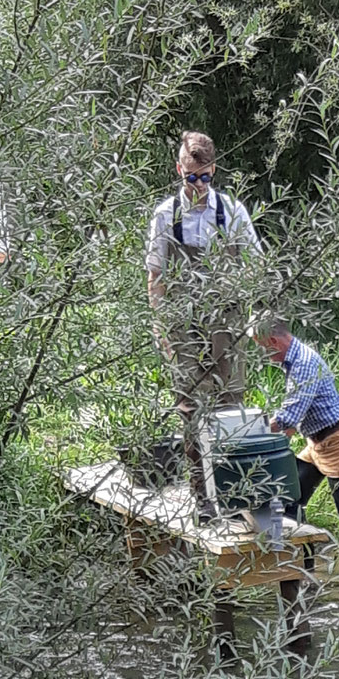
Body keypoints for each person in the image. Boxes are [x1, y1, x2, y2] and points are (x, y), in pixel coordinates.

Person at [145, 131, 261, 509]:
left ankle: (234, 495)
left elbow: (256, 266)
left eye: (205, 177)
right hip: (183, 325)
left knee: (231, 406)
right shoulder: (166, 215)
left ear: (214, 171)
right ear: (179, 170)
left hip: (226, 323)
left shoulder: (232, 211)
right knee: (191, 409)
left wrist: (253, 312)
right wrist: (161, 326)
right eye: (191, 178)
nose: (198, 186)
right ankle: (203, 500)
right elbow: (156, 278)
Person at [254, 317, 339, 576]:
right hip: (317, 442)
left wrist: (250, 428)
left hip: (337, 441)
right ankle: (305, 567)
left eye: (263, 348)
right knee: (289, 499)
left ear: (274, 341)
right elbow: (293, 421)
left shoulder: (304, 364)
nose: (264, 355)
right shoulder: (294, 359)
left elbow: (290, 415)